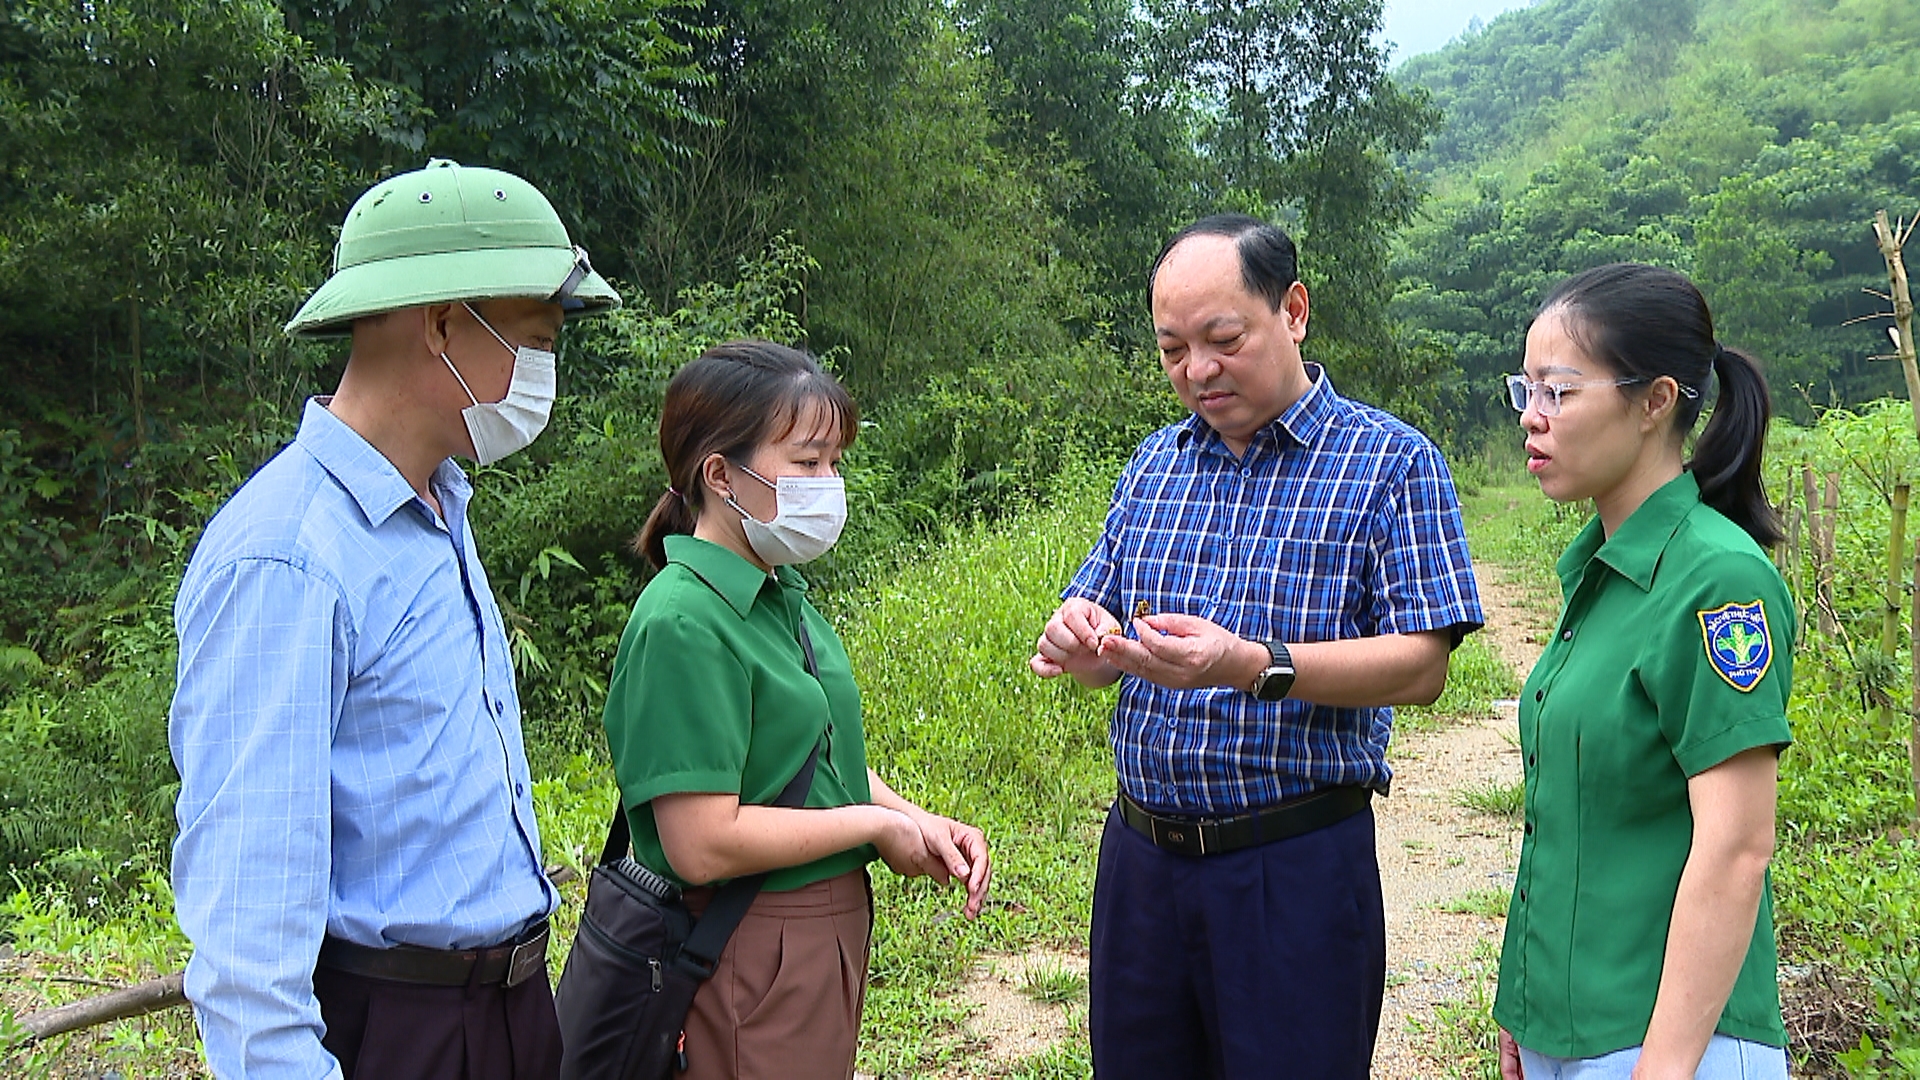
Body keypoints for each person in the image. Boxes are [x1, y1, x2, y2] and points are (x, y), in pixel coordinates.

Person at [169, 159, 621, 1079]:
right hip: (398, 1031)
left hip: (511, 1015)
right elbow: (248, 947)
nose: (545, 373)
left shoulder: (438, 508)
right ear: (444, 322)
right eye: (536, 340)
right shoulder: (286, 558)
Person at [1028, 214, 1484, 1078]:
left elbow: (1422, 666)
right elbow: (1094, 632)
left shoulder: (1389, 463)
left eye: (1222, 339)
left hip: (1294, 868)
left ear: (1295, 311)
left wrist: (1253, 664)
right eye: (1172, 350)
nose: (1198, 371)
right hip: (1141, 865)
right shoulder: (1154, 465)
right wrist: (1079, 639)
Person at [601, 340, 992, 1080]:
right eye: (807, 464)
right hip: (751, 946)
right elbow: (702, 843)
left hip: (813, 940)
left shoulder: (777, 595)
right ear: (720, 475)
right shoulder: (684, 621)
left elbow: (810, 763)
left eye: (835, 463)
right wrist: (875, 828)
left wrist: (912, 819)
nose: (829, 483)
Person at [1493, 263, 1792, 1080]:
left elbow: (1735, 848)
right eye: (1524, 389)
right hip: (1575, 1030)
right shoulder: (1599, 569)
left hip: (1672, 1045)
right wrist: (1528, 1006)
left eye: (1558, 392)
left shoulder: (1715, 582)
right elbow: (1573, 817)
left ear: (1656, 400)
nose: (1531, 418)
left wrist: (1663, 1068)